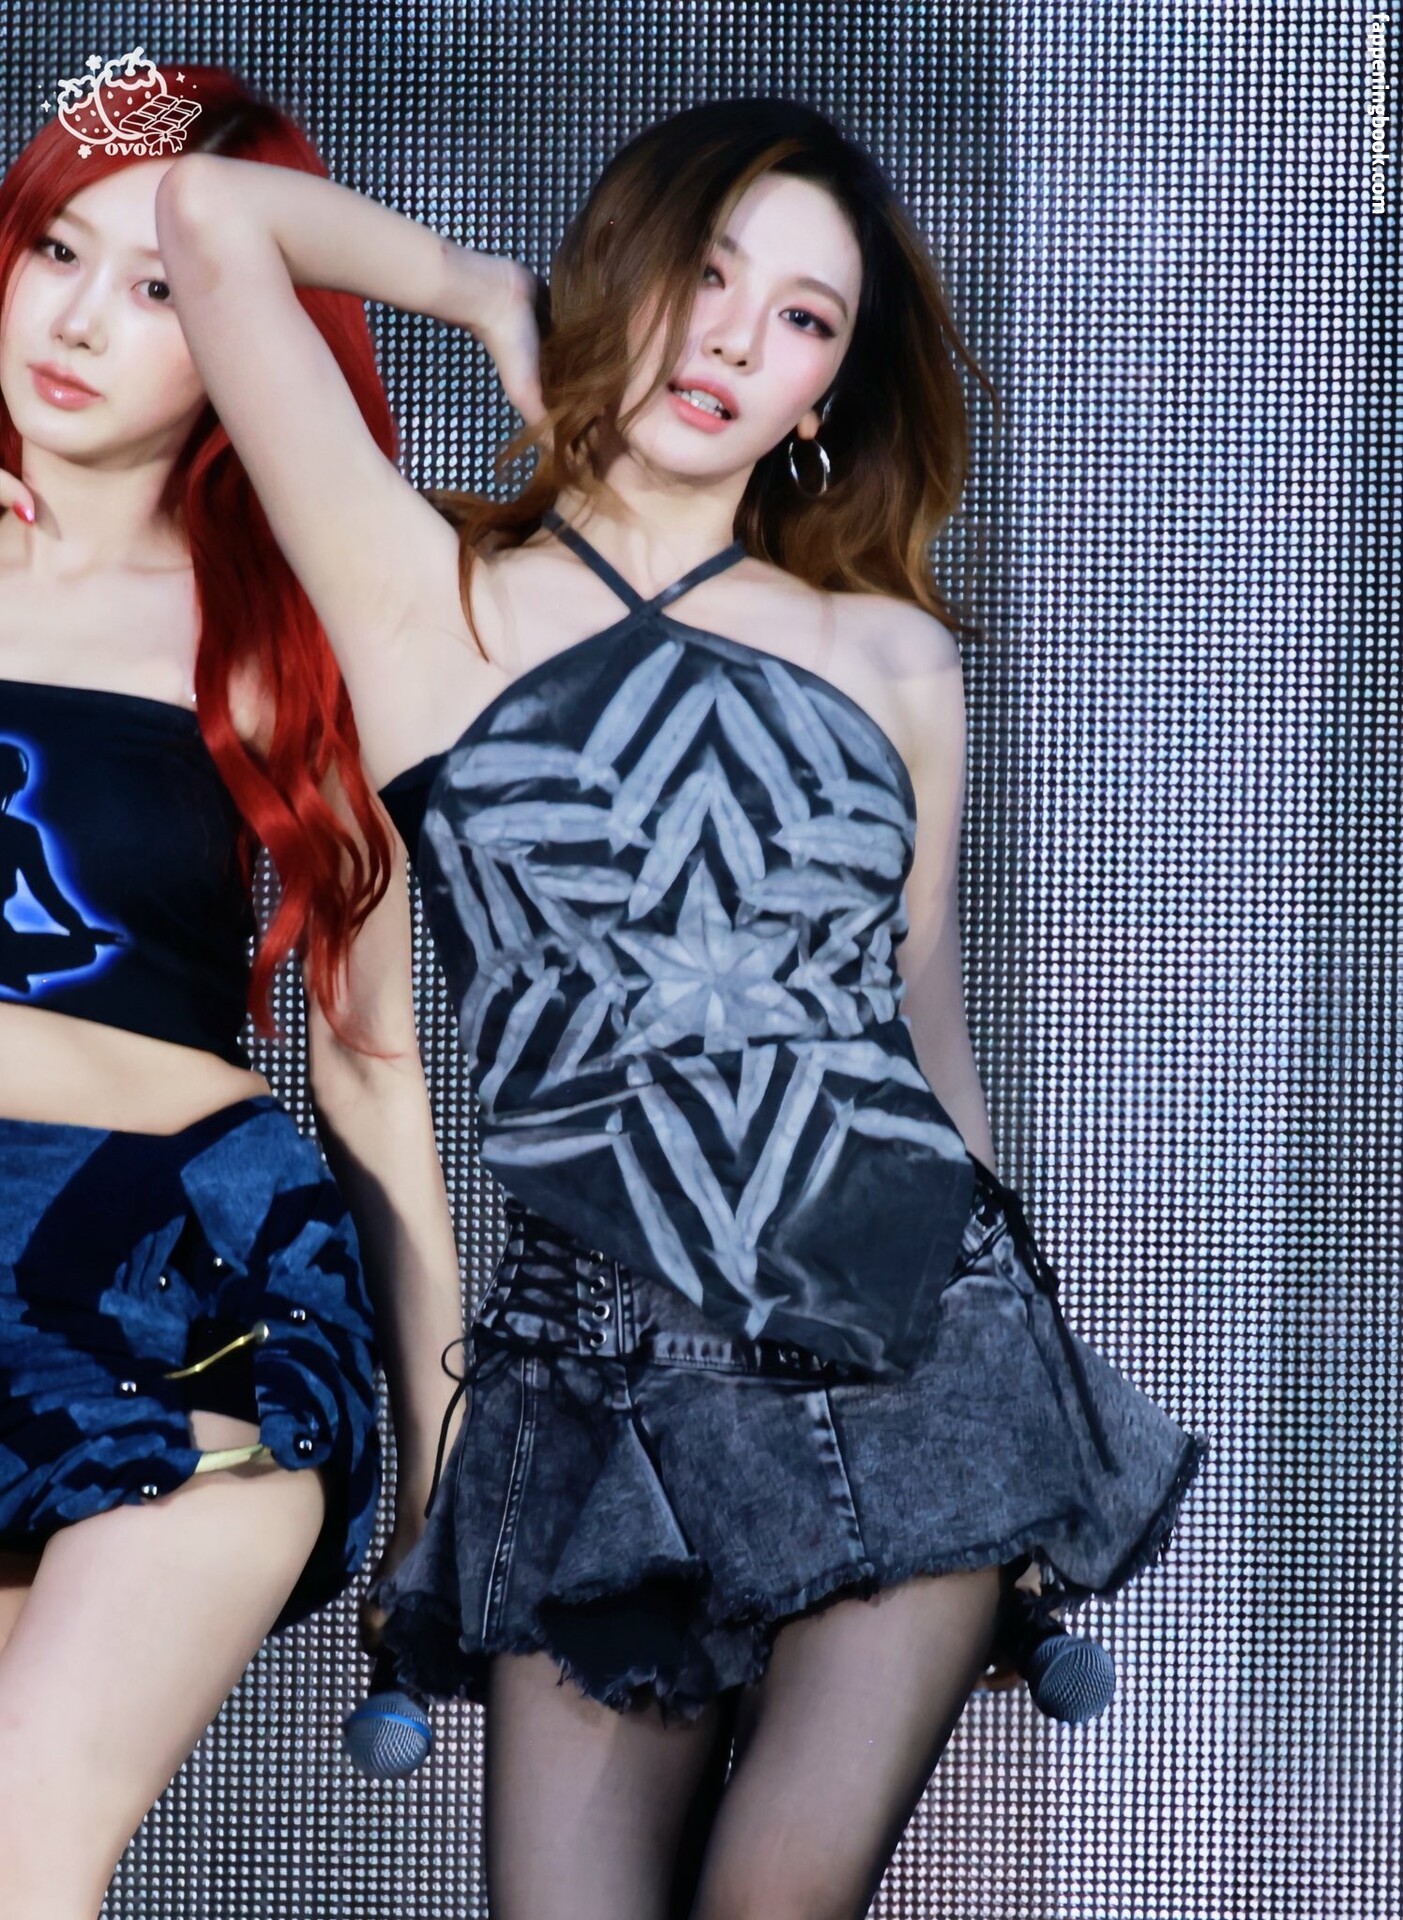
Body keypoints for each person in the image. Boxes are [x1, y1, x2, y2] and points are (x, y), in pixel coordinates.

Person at [155, 96, 1207, 1920]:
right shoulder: (425, 598)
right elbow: (202, 211)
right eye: (707, 274)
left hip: (911, 1349)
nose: (732, 338)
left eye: (802, 317)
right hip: (596, 1395)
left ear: (825, 394)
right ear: (624, 265)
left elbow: (925, 1043)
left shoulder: (891, 653)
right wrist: (484, 291)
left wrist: (1034, 1420)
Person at [0, 63, 464, 1919]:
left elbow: (374, 1072)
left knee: (22, 1848)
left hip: (181, 1279)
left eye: (163, 287)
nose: (80, 323)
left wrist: (441, 1468)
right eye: (56, 251)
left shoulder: (285, 638)